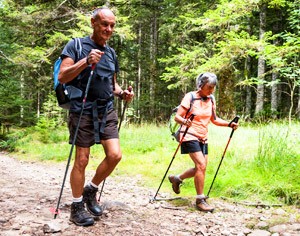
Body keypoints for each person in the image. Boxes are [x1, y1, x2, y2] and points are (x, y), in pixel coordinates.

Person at [58, 7, 134, 226]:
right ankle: (76, 206)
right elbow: (63, 76)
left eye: (112, 25)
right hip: (82, 108)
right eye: (104, 24)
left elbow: (112, 84)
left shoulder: (110, 53)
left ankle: (90, 190)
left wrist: (122, 93)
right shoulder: (76, 45)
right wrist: (85, 61)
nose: (108, 29)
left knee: (115, 155)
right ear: (93, 22)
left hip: (106, 109)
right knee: (82, 159)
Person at [168, 72, 238, 213]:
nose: (211, 90)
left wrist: (229, 124)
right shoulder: (190, 97)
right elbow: (177, 117)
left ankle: (177, 178)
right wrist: (185, 121)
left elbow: (214, 120)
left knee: (201, 167)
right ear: (200, 85)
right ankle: (200, 200)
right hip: (188, 134)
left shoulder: (211, 99)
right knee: (201, 165)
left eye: (213, 87)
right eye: (209, 87)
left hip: (202, 136)